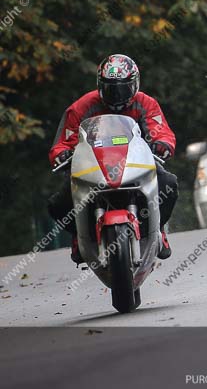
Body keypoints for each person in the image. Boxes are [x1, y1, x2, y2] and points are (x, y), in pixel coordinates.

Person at [48, 54, 178, 264]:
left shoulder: (146, 103)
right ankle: (79, 237)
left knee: (168, 184)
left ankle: (158, 229)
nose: (117, 95)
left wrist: (161, 144)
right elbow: (63, 140)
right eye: (111, 89)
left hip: (137, 164)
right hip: (93, 166)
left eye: (123, 88)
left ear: (135, 84)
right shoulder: (82, 106)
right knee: (58, 203)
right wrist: (62, 154)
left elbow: (161, 131)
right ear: (100, 86)